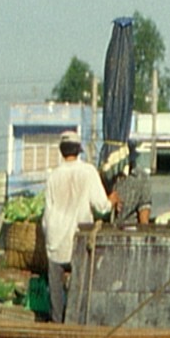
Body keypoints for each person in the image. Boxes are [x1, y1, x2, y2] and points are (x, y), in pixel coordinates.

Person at [43, 131, 118, 324]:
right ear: (79, 151)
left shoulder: (53, 176)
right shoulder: (88, 172)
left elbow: (46, 214)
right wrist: (112, 200)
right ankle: (74, 324)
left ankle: (56, 325)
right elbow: (101, 206)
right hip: (78, 237)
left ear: (61, 151)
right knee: (80, 287)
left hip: (54, 237)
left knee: (56, 292)